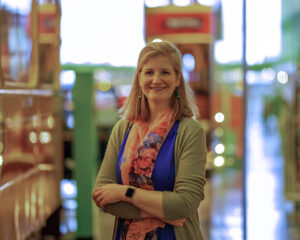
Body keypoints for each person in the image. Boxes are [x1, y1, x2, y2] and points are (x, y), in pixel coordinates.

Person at [92, 41, 207, 240]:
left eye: (165, 72)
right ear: (139, 78)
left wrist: (124, 193)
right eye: (148, 72)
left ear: (178, 78)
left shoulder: (190, 131)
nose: (156, 79)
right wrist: (159, 211)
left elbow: (185, 204)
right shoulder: (123, 129)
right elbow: (103, 196)